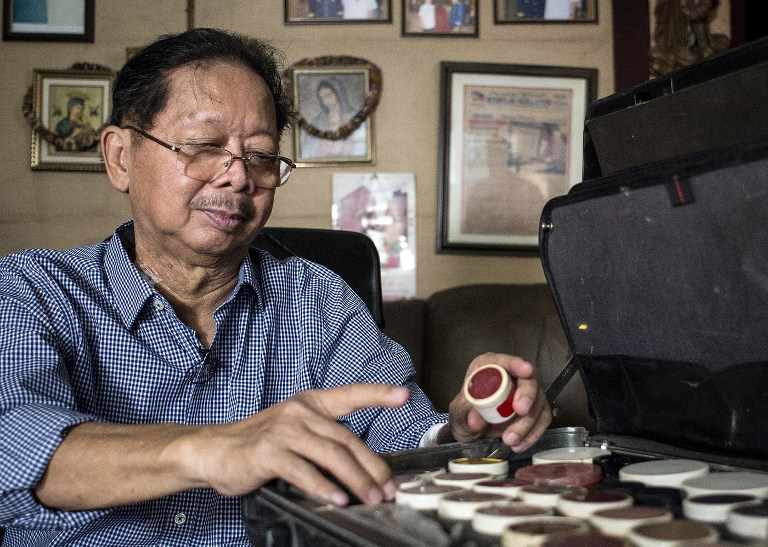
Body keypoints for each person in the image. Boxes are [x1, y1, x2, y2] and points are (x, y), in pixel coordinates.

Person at [0, 28, 552, 545]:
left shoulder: (315, 298)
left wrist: (461, 433)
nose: (238, 176)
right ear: (120, 157)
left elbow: (399, 434)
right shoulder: (34, 290)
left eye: (261, 156)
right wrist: (213, 449)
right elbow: (17, 443)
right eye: (203, 145)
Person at [300, 78, 367, 159]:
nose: (325, 102)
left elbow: (362, 145)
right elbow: (307, 148)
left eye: (328, 96)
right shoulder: (318, 121)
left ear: (339, 94)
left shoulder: (355, 117)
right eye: (322, 98)